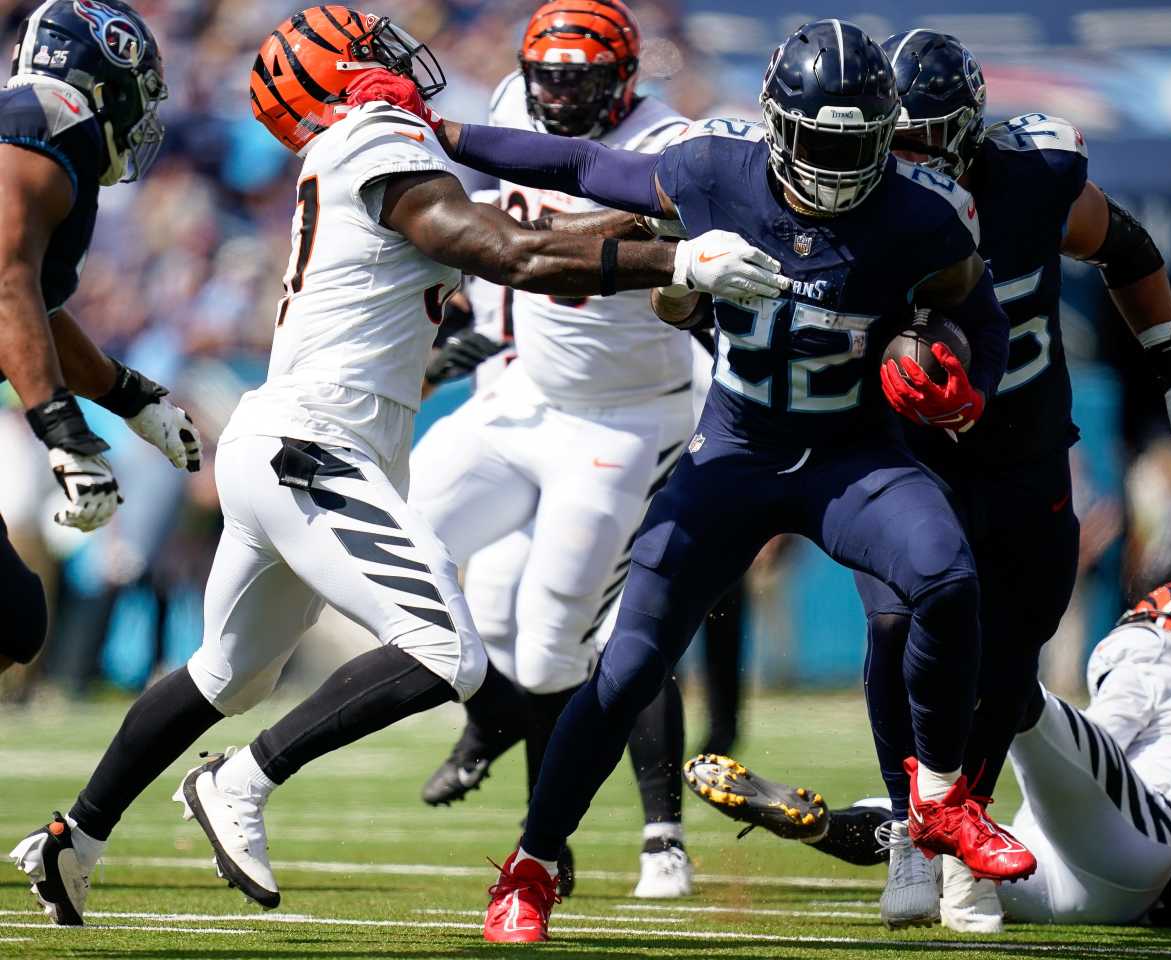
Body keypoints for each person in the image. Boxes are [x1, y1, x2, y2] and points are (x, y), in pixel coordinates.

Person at [8, 4, 786, 926]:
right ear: (341, 77)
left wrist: (660, 262)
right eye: (368, 47)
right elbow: (511, 249)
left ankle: (73, 839)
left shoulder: (346, 151)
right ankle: (243, 782)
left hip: (295, 440)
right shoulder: (376, 134)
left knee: (228, 672)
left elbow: (538, 251)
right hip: (316, 448)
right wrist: (680, 262)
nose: (394, 55)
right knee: (445, 651)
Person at [399, 16, 1046, 942]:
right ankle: (531, 866)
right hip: (734, 452)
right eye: (821, 139)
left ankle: (939, 798)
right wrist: (439, 131)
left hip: (850, 455)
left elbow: (978, 317)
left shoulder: (921, 215)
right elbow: (577, 170)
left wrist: (965, 387)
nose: (838, 161)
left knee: (944, 577)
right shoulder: (714, 170)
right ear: (778, 125)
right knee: (623, 669)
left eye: (858, 143)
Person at [853, 29, 1171, 928]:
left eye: (929, 136)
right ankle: (907, 828)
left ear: (969, 128)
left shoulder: (1032, 179)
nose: (912, 156)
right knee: (897, 625)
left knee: (1009, 663)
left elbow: (1124, 247)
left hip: (1022, 452)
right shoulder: (856, 193)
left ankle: (960, 827)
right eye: (899, 138)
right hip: (909, 453)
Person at [410, 0, 696, 899]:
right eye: (551, 80)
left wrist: (536, 250)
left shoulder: (671, 141)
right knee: (402, 554)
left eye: (583, 80)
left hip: (629, 416)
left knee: (557, 646)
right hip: (525, 390)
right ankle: (489, 719)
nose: (562, 99)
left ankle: (606, 839)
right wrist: (478, 322)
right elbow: (485, 221)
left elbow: (633, 237)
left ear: (627, 79)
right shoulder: (503, 100)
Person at [687, 580, 1171, 930]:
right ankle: (848, 822)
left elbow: (1108, 729)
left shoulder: (1153, 648)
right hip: (1140, 871)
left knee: (1012, 693)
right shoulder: (1165, 665)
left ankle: (836, 821)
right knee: (1008, 696)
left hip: (1085, 856)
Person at [0, 0, 202, 679]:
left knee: (10, 616)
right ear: (102, 75)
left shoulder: (41, 131)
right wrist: (62, 432)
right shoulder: (41, 125)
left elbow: (35, 306)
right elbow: (5, 286)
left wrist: (130, 399)